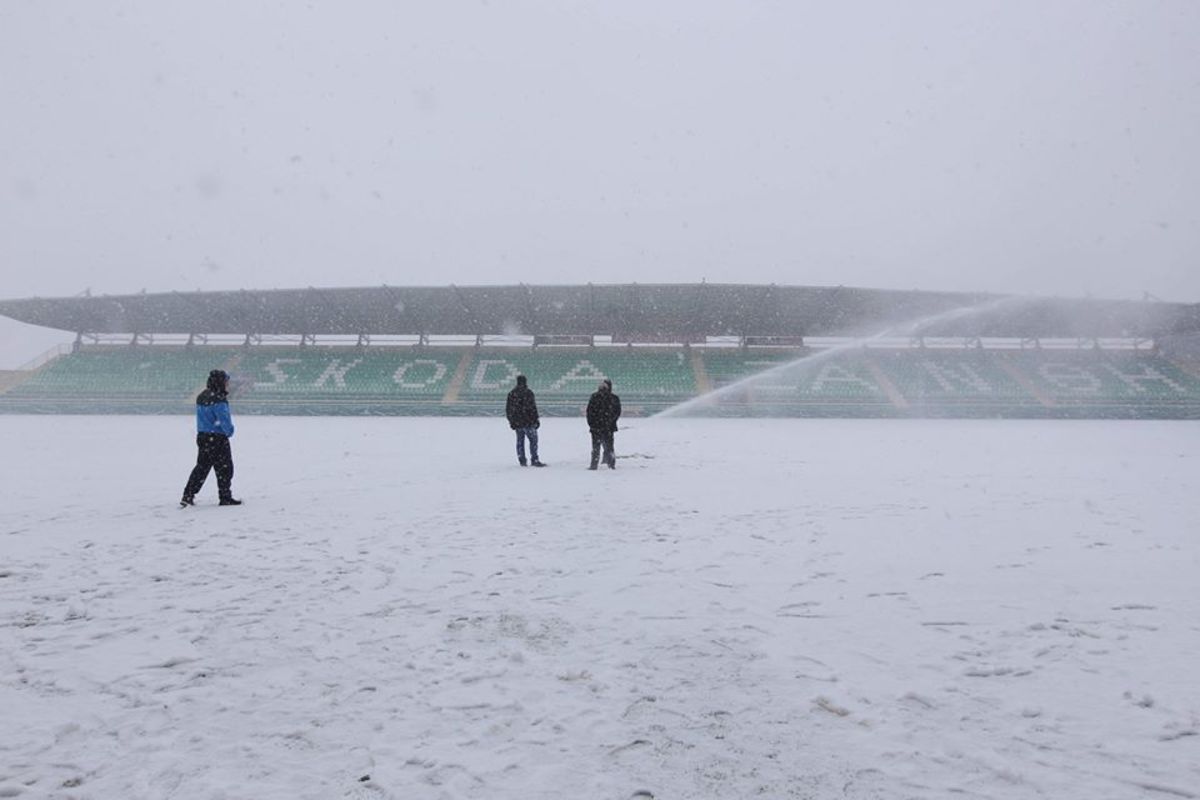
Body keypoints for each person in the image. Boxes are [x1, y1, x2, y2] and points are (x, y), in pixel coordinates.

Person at [180, 369, 242, 507]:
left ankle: (188, 495)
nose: (228, 384)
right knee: (225, 468)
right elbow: (224, 420)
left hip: (203, 436)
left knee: (202, 467)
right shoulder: (219, 398)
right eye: (226, 381)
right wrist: (229, 431)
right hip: (217, 438)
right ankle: (225, 496)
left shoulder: (202, 396)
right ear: (221, 382)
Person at [506, 374, 545, 467]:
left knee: (520, 441)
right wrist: (536, 420)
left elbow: (508, 410)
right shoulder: (528, 393)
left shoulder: (512, 394)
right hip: (529, 422)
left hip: (518, 423)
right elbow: (533, 408)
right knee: (533, 440)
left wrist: (512, 421)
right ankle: (534, 459)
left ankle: (522, 460)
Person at [586, 378, 621, 470]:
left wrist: (592, 424)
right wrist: (611, 422)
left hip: (596, 427)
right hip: (608, 427)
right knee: (609, 447)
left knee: (596, 447)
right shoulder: (614, 398)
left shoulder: (594, 397)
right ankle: (611, 464)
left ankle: (594, 465)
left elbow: (589, 412)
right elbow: (617, 413)